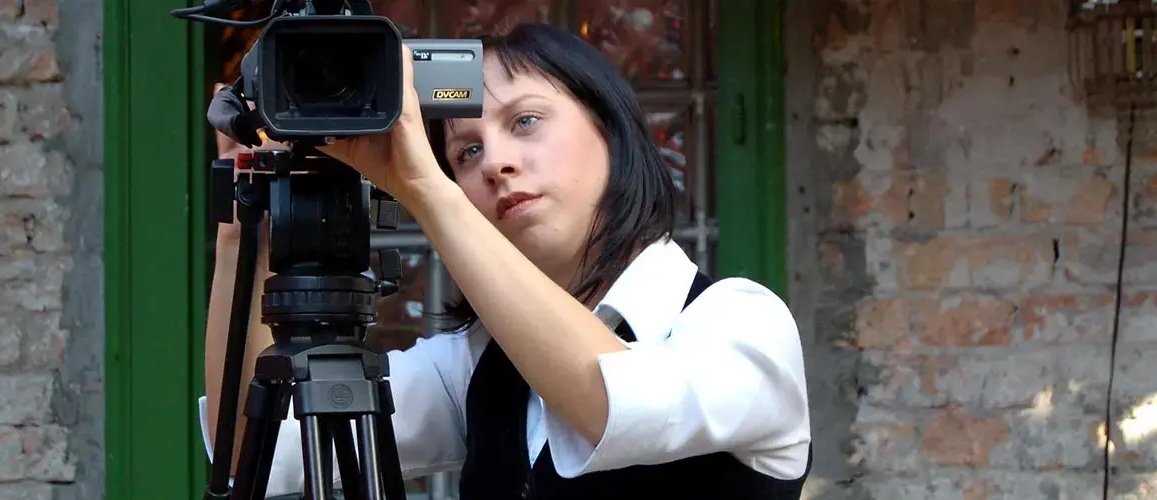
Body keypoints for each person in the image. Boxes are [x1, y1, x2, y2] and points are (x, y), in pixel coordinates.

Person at [201, 22, 812, 499]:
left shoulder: (741, 323)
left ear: (612, 130)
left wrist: (426, 188)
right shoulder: (479, 363)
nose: (495, 162)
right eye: (466, 152)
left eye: (525, 122)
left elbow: (612, 401)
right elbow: (260, 448)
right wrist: (242, 231)